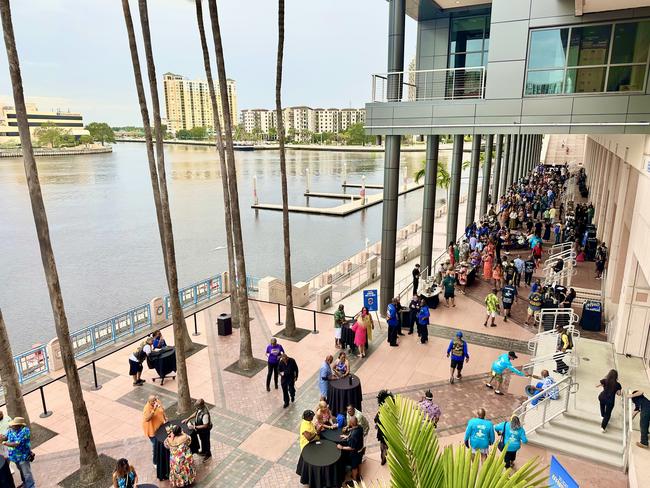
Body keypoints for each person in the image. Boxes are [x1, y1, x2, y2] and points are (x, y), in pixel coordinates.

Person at [1, 417, 33, 488]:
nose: (11, 426)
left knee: (27, 473)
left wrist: (3, 442)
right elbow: (6, 437)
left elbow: (16, 444)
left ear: (19, 425)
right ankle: (25, 483)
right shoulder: (11, 430)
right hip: (15, 457)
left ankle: (31, 486)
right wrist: (2, 437)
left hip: (23, 457)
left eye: (14, 425)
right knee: (21, 470)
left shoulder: (24, 432)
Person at [337, 416, 364, 486]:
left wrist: (342, 447)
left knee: (354, 466)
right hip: (361, 450)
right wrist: (347, 436)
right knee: (359, 462)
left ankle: (354, 480)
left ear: (351, 423)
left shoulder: (353, 435)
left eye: (349, 421)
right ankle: (360, 475)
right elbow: (353, 431)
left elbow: (351, 448)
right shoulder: (360, 427)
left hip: (355, 453)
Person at [142, 395, 167, 462]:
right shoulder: (147, 408)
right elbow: (147, 419)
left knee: (162, 441)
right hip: (152, 429)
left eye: (155, 400)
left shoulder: (157, 402)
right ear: (149, 401)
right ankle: (155, 460)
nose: (155, 402)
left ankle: (163, 454)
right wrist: (154, 410)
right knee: (156, 445)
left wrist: (165, 417)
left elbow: (162, 410)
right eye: (153, 401)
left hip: (160, 426)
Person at [374, 390, 393, 465]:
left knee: (383, 446)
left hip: (383, 432)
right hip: (388, 431)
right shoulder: (390, 411)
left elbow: (375, 420)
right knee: (385, 446)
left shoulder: (381, 412)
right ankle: (385, 456)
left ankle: (383, 458)